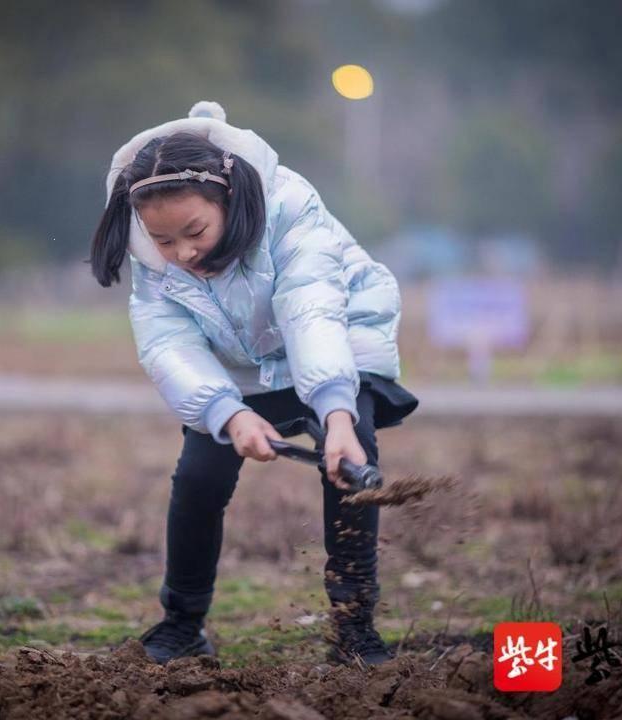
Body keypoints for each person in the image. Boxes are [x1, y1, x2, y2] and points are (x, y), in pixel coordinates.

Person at [89, 101, 418, 667]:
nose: (182, 253)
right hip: (239, 362)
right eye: (165, 240)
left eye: (194, 232)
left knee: (349, 458)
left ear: (230, 198)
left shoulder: (292, 208)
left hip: (334, 337)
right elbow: (169, 344)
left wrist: (337, 415)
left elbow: (311, 313)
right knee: (198, 478)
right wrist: (227, 413)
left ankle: (354, 628)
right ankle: (182, 625)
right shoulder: (154, 256)